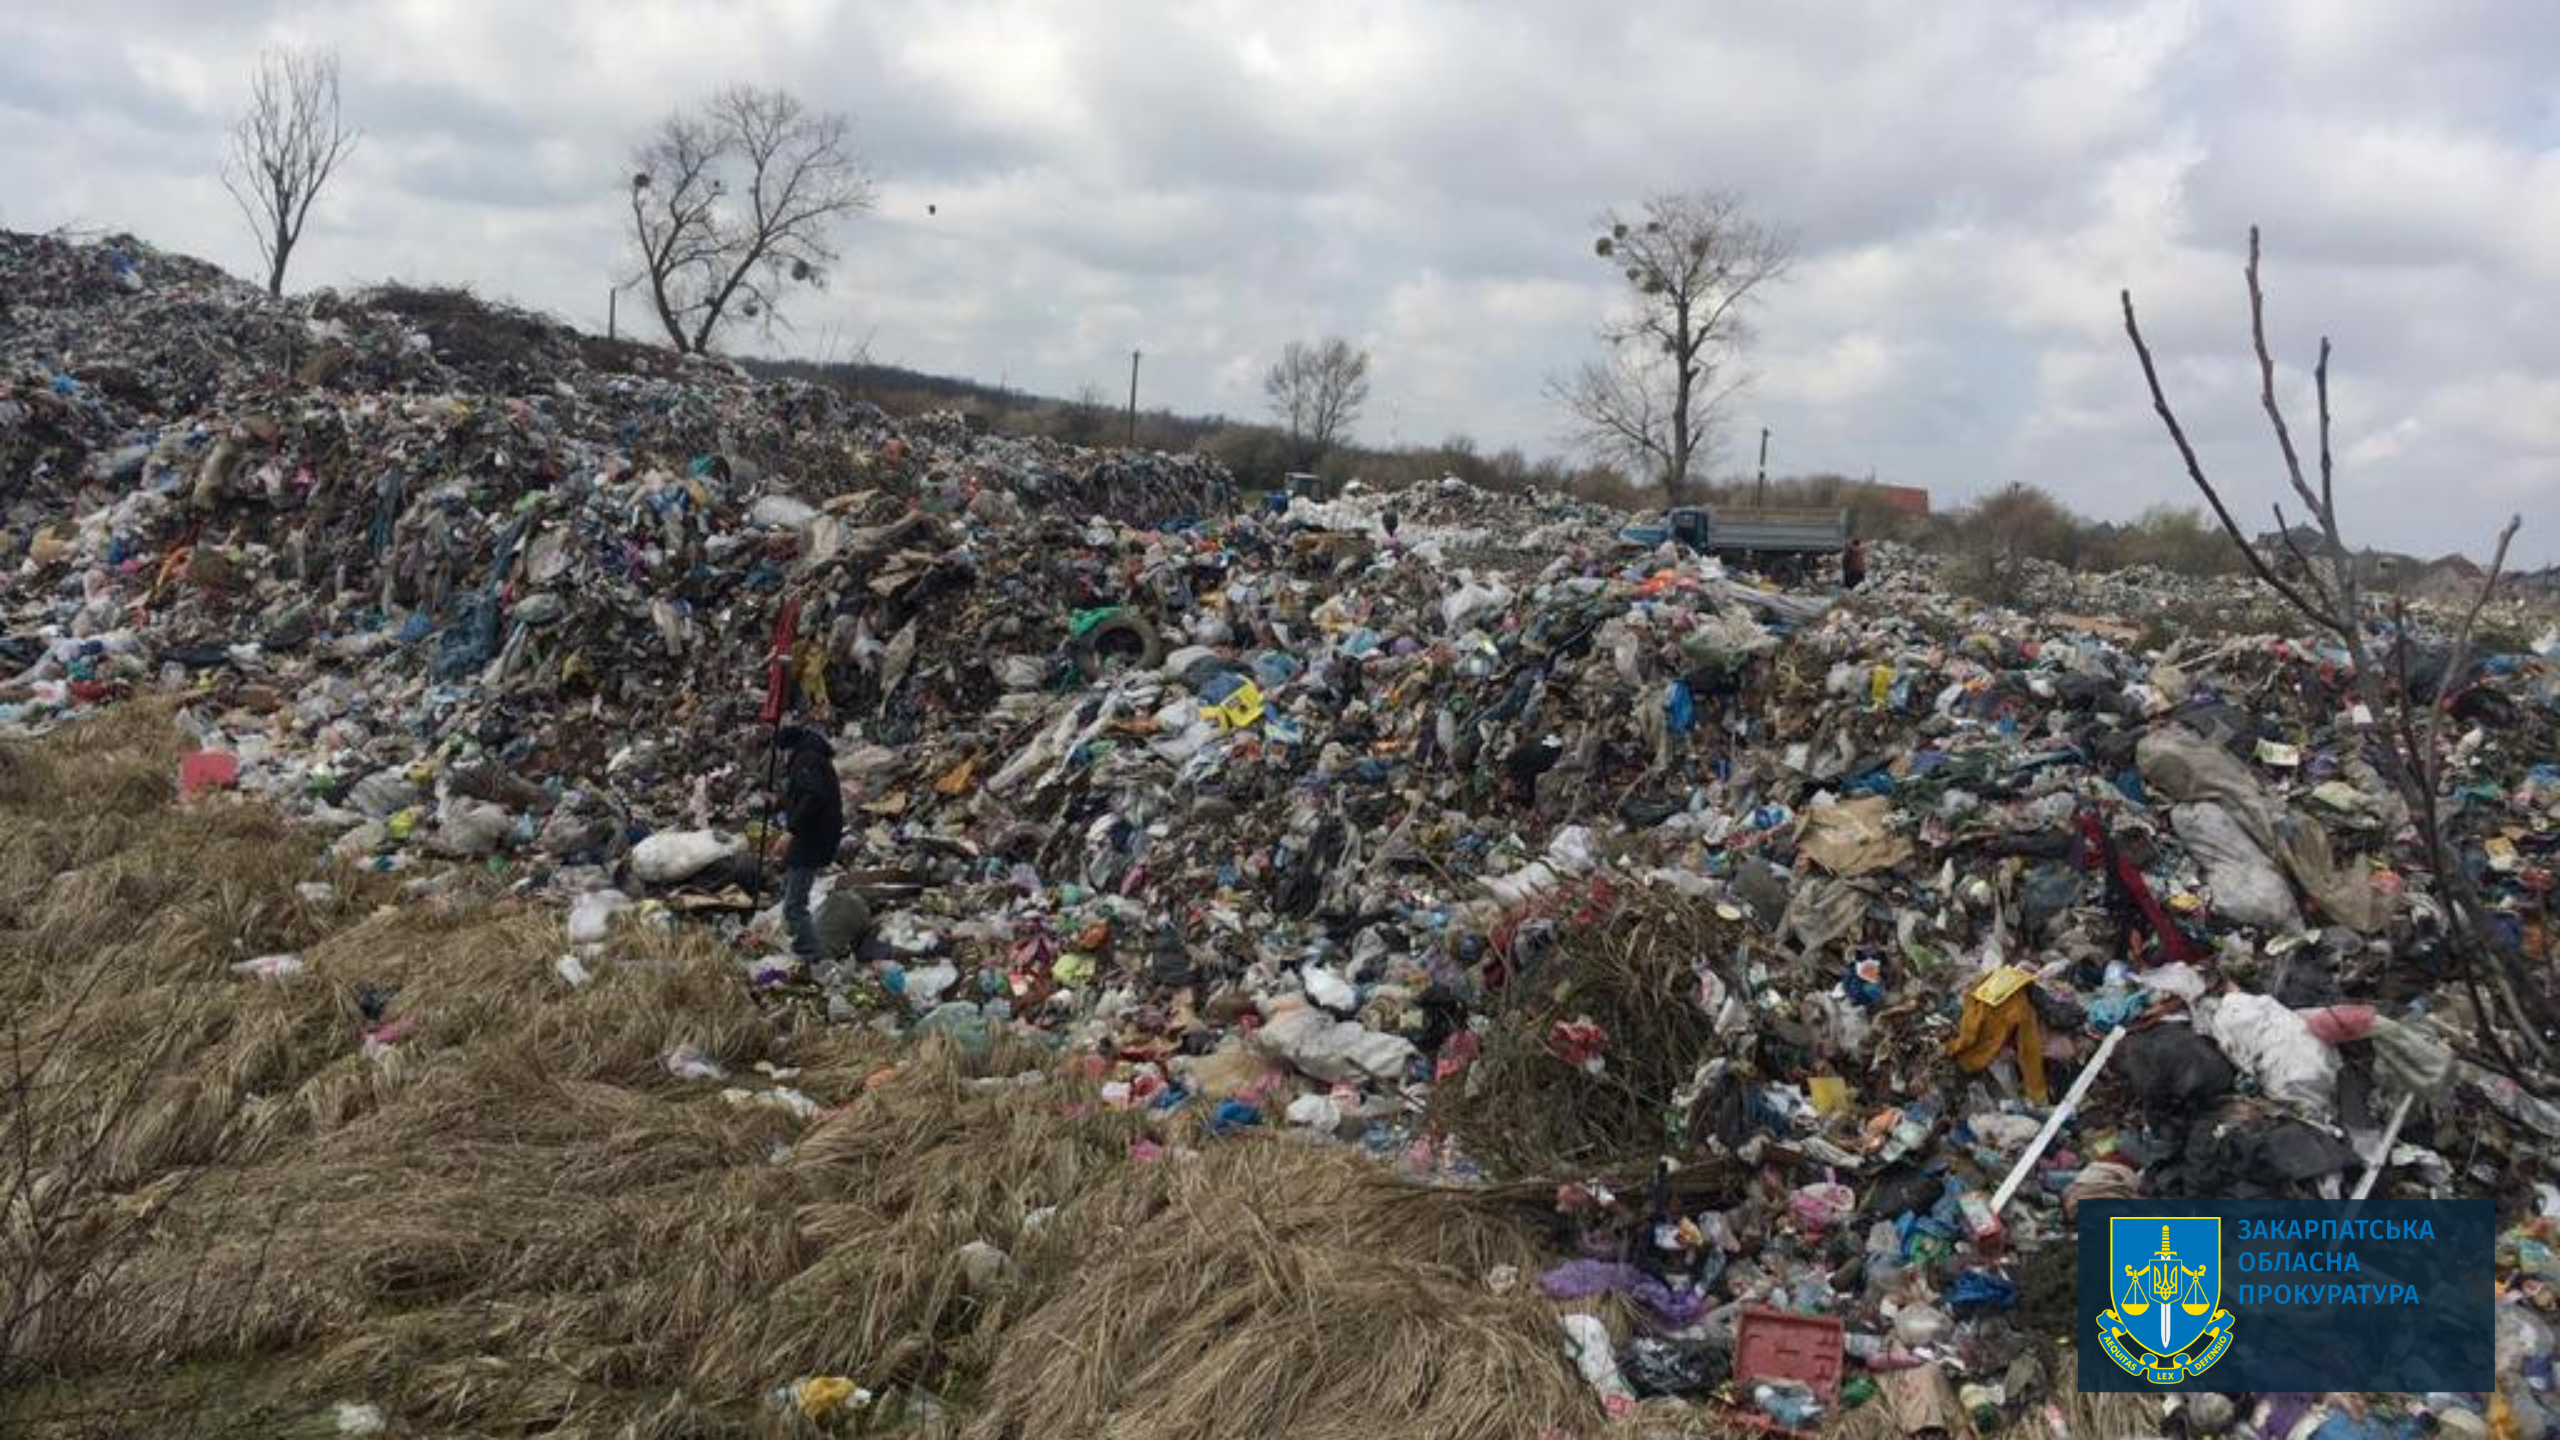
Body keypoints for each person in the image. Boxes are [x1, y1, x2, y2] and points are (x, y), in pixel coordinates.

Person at [774, 725, 843, 964]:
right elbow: (805, 795)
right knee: (793, 896)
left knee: (794, 906)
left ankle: (816, 959)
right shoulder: (814, 757)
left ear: (789, 748)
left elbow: (814, 796)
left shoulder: (806, 760)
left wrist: (790, 831)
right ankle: (807, 950)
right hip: (815, 836)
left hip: (811, 838)